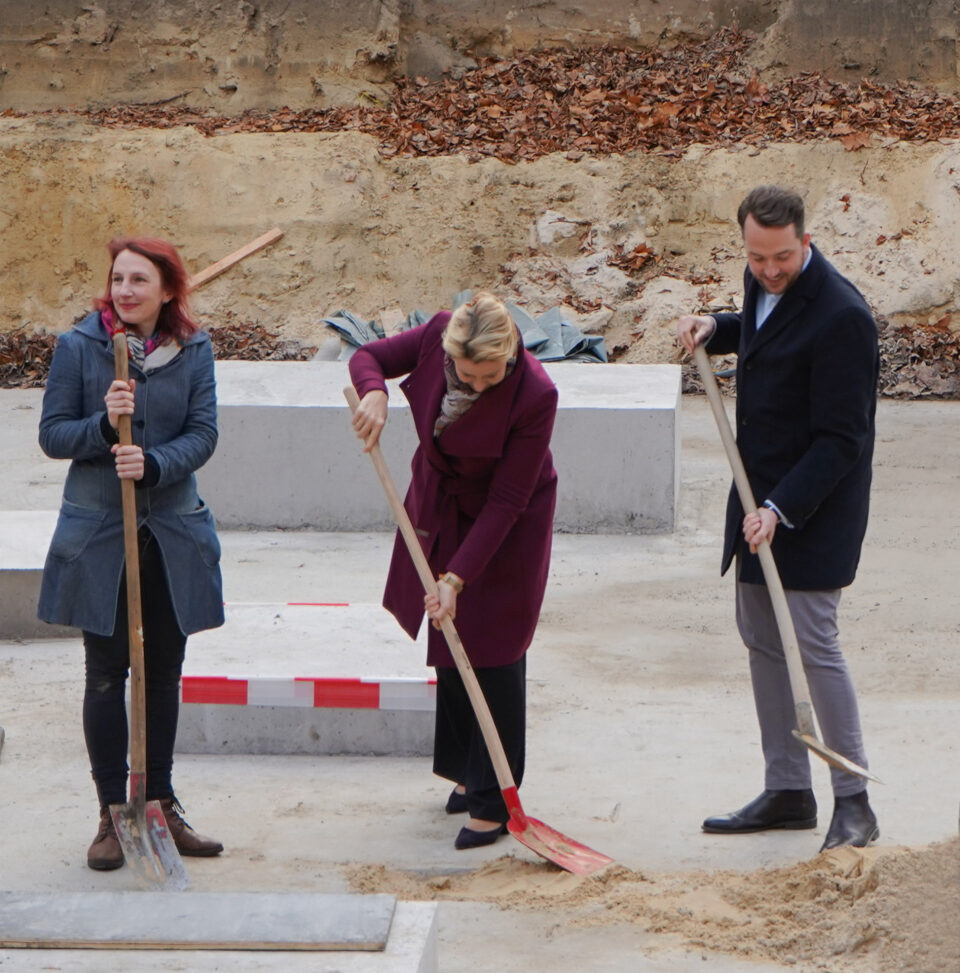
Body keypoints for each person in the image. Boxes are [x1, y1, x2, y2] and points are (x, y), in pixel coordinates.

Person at [676, 185, 880, 851]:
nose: (769, 270)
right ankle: (789, 787)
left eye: (783, 257)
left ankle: (854, 802)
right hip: (754, 495)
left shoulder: (843, 317)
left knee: (814, 646)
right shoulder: (762, 278)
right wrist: (719, 326)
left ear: (807, 241)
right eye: (758, 257)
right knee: (763, 640)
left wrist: (779, 508)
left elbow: (842, 440)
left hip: (811, 508)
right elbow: (762, 329)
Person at [38, 237, 225, 870]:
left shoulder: (193, 349)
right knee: (105, 671)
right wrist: (100, 424)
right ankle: (110, 815)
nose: (125, 290)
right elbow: (51, 434)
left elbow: (204, 434)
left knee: (164, 671)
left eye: (139, 280)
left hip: (171, 533)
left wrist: (154, 464)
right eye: (118, 278)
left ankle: (160, 804)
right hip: (100, 539)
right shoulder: (80, 346)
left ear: (167, 289)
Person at [349, 292, 558, 850]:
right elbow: (366, 358)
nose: (480, 385)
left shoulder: (536, 393)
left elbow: (509, 499)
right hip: (442, 504)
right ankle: (468, 773)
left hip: (507, 521)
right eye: (469, 375)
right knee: (448, 633)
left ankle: (495, 798)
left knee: (495, 644)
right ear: (448, 354)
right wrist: (374, 394)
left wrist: (457, 577)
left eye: (491, 375)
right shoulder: (436, 334)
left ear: (510, 351)